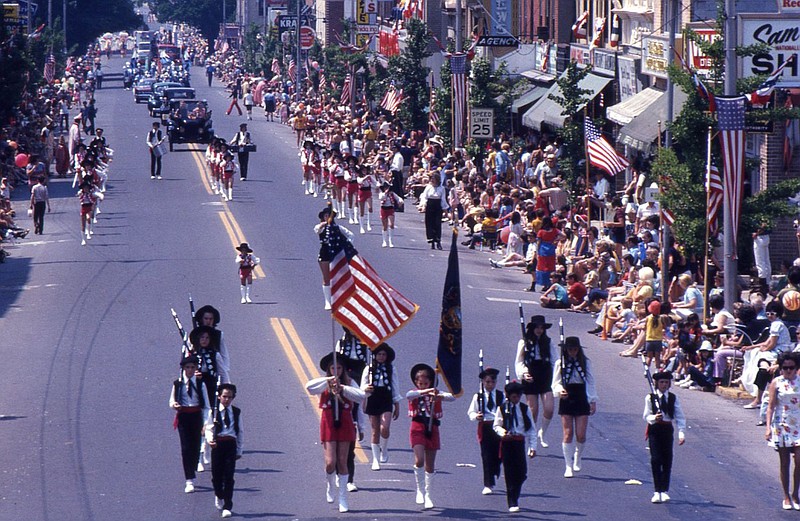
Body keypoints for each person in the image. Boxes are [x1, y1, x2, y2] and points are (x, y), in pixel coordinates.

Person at [305, 353, 366, 513]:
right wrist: (328, 381)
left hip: (345, 423)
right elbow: (309, 387)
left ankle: (343, 498)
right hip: (329, 423)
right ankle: (330, 484)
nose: (336, 370)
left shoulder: (349, 382)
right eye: (333, 368)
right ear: (328, 369)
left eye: (339, 367)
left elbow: (361, 396)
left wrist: (343, 388)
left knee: (342, 461)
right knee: (330, 462)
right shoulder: (324, 384)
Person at [406, 363, 455, 509]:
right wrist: (425, 391)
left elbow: (452, 397)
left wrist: (438, 395)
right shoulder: (415, 393)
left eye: (426, 383)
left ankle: (428, 494)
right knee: (419, 459)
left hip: (432, 427)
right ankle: (419, 490)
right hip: (417, 426)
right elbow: (409, 395)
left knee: (430, 464)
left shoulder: (436, 394)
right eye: (420, 383)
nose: (422, 385)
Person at [552, 336, 597, 478]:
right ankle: (568, 465)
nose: (573, 352)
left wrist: (592, 399)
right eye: (570, 349)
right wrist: (560, 391)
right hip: (567, 396)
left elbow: (590, 381)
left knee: (581, 434)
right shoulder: (561, 363)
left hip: (581, 395)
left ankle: (578, 455)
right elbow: (555, 382)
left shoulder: (585, 363)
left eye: (575, 349)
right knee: (568, 433)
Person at [493, 381, 537, 513]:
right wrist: (503, 433)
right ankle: (512, 500)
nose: (516, 399)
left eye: (518, 396)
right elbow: (496, 425)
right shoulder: (502, 409)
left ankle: (515, 491)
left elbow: (531, 429)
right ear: (508, 396)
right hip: (507, 442)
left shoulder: (524, 409)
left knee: (521, 472)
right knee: (509, 472)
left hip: (519, 442)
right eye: (513, 397)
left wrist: (532, 447)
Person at [643, 370, 686, 503]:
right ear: (657, 383)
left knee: (667, 459)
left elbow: (679, 416)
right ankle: (657, 491)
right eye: (661, 382)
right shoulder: (650, 397)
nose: (664, 385)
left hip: (667, 429)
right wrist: (654, 418)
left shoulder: (673, 398)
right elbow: (646, 415)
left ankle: (664, 490)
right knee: (656, 459)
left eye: (666, 382)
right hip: (655, 429)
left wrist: (681, 432)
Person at [169, 355, 210, 494]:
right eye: (187, 367)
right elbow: (171, 401)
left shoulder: (200, 384)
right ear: (183, 368)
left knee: (195, 446)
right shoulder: (178, 384)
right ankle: (189, 479)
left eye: (193, 367)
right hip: (184, 417)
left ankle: (195, 463)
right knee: (186, 448)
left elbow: (206, 406)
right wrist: (174, 405)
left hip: (196, 416)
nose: (190, 370)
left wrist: (205, 424)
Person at [515, 315, 557, 449]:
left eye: (542, 328)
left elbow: (555, 360)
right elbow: (519, 361)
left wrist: (558, 376)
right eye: (537, 327)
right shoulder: (524, 342)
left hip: (545, 374)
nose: (539, 330)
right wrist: (524, 373)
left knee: (549, 409)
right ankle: (531, 439)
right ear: (532, 328)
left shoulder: (548, 342)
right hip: (531, 374)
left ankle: (542, 433)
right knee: (533, 410)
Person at [765, 352, 800, 510]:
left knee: (799, 462)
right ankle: (786, 496)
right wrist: (767, 427)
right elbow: (770, 406)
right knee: (784, 462)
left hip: (798, 425)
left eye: (791, 368)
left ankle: (795, 494)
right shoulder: (776, 383)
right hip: (782, 425)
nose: (788, 371)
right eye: (785, 368)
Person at [361, 343, 401, 470]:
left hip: (386, 398)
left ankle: (384, 449)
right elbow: (362, 385)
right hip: (373, 397)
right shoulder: (368, 368)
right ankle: (375, 459)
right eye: (379, 354)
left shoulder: (391, 369)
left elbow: (395, 386)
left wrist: (397, 403)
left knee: (385, 427)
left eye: (384, 354)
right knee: (375, 430)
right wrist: (366, 389)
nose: (381, 357)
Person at [206, 383, 243, 519]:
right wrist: (210, 440)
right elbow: (209, 428)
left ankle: (228, 505)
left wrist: (239, 449)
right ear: (219, 397)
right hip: (218, 445)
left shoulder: (236, 412)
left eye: (230, 397)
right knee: (216, 476)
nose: (227, 400)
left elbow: (240, 431)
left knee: (229, 476)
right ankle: (219, 494)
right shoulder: (213, 412)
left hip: (230, 445)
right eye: (224, 397)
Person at [467, 367, 504, 495]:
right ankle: (488, 484)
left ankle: (495, 470)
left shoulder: (501, 395)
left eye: (492, 382)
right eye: (487, 382)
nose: (490, 385)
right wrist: (476, 416)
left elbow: (505, 410)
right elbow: (471, 411)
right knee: (486, 455)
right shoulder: (478, 396)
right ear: (483, 382)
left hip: (498, 426)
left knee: (498, 454)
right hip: (485, 426)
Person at [315, 204, 354, 310]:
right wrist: (324, 224)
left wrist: (346, 246)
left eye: (330, 215)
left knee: (339, 276)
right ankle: (328, 302)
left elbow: (350, 235)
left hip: (336, 253)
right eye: (326, 215)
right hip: (325, 253)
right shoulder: (321, 228)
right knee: (326, 277)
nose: (328, 217)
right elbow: (317, 230)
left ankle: (340, 298)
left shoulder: (338, 228)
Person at [419, 172, 449, 250]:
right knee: (429, 223)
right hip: (430, 204)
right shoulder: (428, 187)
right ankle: (431, 240)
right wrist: (423, 205)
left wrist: (445, 210)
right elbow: (424, 196)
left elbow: (443, 199)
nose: (432, 180)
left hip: (437, 205)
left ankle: (438, 241)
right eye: (431, 179)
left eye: (433, 179)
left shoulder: (442, 188)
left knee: (437, 223)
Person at [378, 181, 400, 247]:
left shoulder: (392, 194)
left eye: (387, 187)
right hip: (384, 209)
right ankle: (384, 241)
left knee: (391, 224)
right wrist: (385, 193)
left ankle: (391, 241)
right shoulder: (381, 193)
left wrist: (400, 201)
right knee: (385, 226)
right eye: (385, 187)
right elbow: (381, 198)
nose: (387, 188)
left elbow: (398, 198)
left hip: (390, 209)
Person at [77, 180, 96, 246]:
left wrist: (89, 195)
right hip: (83, 207)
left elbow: (92, 201)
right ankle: (83, 239)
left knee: (89, 218)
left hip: (89, 207)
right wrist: (83, 195)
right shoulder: (81, 193)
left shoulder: (90, 194)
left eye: (87, 188)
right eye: (85, 188)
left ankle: (88, 232)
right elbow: (81, 200)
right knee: (83, 224)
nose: (86, 189)